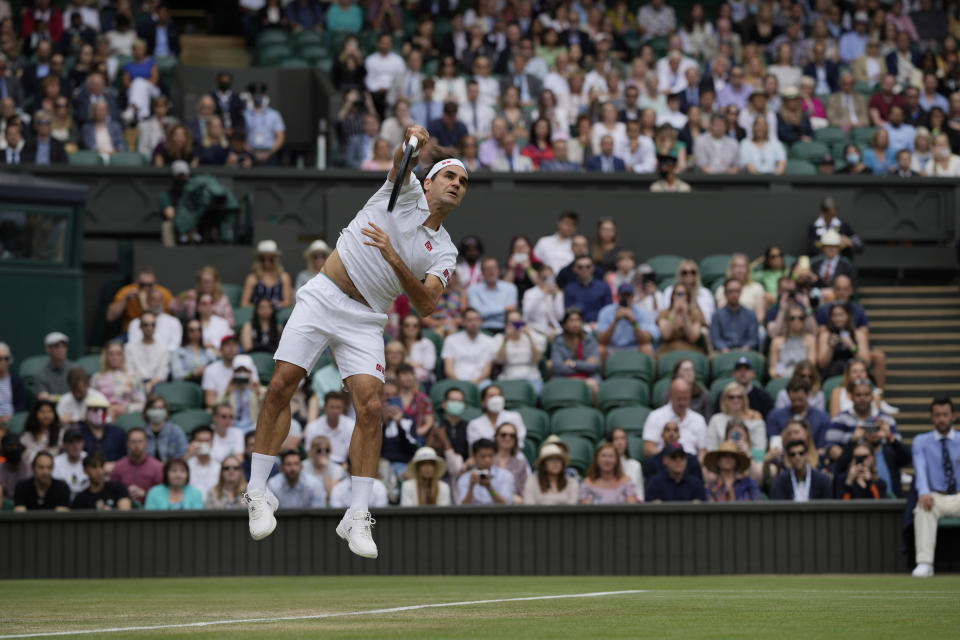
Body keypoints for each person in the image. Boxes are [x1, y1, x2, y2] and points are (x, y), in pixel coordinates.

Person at [245, 126, 467, 554]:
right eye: (450, 176)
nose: (457, 184)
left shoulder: (445, 250)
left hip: (366, 319)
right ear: (429, 181)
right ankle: (257, 492)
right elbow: (403, 161)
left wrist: (392, 255)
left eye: (463, 182)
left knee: (370, 407)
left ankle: (357, 515)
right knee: (280, 385)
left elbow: (425, 304)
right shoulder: (402, 194)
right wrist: (411, 143)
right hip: (323, 295)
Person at [911, 397, 960, 578]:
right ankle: (924, 563)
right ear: (932, 417)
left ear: (953, 416)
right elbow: (920, 468)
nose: (941, 419)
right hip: (935, 496)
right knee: (923, 508)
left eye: (945, 415)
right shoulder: (921, 441)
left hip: (959, 496)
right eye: (937, 415)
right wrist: (923, 493)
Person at [643, 378, 708, 461]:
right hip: (664, 463)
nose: (683, 403)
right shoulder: (656, 416)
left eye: (685, 399)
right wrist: (670, 458)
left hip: (690, 464)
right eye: (679, 399)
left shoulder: (699, 419)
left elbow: (702, 450)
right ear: (670, 396)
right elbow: (648, 448)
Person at [596, 282, 659, 359]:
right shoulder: (606, 312)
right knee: (601, 349)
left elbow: (645, 340)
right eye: (623, 296)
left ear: (632, 297)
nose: (626, 299)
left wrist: (633, 322)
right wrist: (615, 321)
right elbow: (602, 341)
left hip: (634, 347)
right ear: (618, 297)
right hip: (613, 347)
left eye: (628, 296)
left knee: (647, 349)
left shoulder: (641, 312)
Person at [766, 378, 831, 451]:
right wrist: (788, 432)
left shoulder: (822, 418)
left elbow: (821, 448)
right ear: (788, 395)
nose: (797, 403)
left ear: (807, 394)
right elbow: (773, 447)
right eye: (793, 400)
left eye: (800, 400)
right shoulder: (775, 416)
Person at [551, 309, 601, 397]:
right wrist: (584, 365)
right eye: (571, 320)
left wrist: (572, 363)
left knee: (595, 388)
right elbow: (558, 367)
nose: (575, 324)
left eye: (578, 320)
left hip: (588, 377)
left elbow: (594, 366)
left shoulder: (589, 340)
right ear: (565, 324)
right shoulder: (558, 341)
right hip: (564, 378)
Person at [200, 336, 258, 408]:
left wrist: (251, 384)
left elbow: (257, 392)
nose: (231, 348)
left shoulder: (249, 366)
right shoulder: (210, 369)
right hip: (224, 411)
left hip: (248, 409)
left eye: (234, 344)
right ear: (221, 349)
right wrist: (227, 393)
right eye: (227, 345)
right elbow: (209, 402)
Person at [441, 308, 496, 385]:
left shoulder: (489, 341)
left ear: (480, 321)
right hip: (456, 381)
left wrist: (474, 383)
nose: (473, 323)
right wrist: (461, 384)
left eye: (476, 319)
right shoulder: (451, 340)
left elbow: (487, 370)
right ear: (463, 322)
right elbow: (448, 369)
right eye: (470, 320)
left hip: (480, 381)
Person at [109, 427, 163, 505]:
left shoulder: (158, 467)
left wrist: (146, 494)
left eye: (140, 441)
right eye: (133, 442)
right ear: (127, 444)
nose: (137, 445)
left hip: (150, 510)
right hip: (124, 511)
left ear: (146, 443)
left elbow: (163, 494)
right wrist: (125, 493)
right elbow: (112, 492)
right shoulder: (118, 467)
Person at [707, 383, 766, 452]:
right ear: (725, 400)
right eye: (731, 397)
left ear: (744, 399)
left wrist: (748, 451)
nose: (735, 400)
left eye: (739, 397)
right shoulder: (716, 420)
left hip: (750, 461)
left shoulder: (756, 420)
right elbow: (711, 449)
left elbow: (760, 451)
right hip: (722, 460)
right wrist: (725, 448)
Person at [123, 311, 170, 394]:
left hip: (157, 384)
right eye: (146, 324)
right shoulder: (129, 347)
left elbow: (162, 373)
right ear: (140, 326)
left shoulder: (164, 348)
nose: (149, 327)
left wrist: (150, 384)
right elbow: (129, 371)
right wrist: (140, 385)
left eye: (153, 324)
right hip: (135, 383)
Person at [467, 256, 518, 332]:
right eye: (488, 269)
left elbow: (511, 313)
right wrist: (503, 309)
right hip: (481, 329)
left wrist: (486, 311)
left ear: (498, 270)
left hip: (505, 329)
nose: (491, 272)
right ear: (482, 273)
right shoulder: (473, 290)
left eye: (494, 268)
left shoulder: (510, 288)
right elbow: (476, 314)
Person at [456, 438, 514, 505]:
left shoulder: (505, 476)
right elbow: (463, 508)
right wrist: (471, 487)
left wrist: (489, 487)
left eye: (490, 456)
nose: (487, 460)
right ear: (474, 457)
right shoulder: (464, 479)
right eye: (483, 456)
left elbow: (506, 505)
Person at [709, 279, 759, 353]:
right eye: (731, 291)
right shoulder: (717, 315)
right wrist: (725, 350)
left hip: (746, 351)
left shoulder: (750, 314)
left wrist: (745, 349)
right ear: (725, 293)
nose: (734, 294)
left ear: (741, 292)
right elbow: (716, 339)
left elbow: (753, 339)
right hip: (723, 352)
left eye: (737, 291)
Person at [241, 240, 293, 309]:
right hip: (256, 315)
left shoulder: (284, 277)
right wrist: (261, 308)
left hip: (277, 314)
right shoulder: (252, 278)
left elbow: (288, 302)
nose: (267, 263)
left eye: (271, 259)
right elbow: (244, 303)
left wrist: (272, 307)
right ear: (258, 260)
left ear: (276, 259)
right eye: (263, 259)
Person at [656, 283, 706, 355]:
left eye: (683, 294)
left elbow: (693, 338)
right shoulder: (664, 313)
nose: (680, 297)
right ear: (673, 296)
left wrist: (685, 315)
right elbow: (666, 335)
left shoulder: (694, 313)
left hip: (690, 350)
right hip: (668, 351)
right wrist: (674, 312)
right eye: (678, 294)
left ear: (688, 297)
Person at [769, 305, 816, 379]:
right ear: (786, 321)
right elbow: (772, 368)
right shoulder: (776, 342)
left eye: (801, 318)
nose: (797, 321)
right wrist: (775, 375)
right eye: (792, 318)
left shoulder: (810, 339)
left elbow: (811, 365)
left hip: (802, 378)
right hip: (782, 378)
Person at [142, 395, 189, 464]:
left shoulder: (176, 431)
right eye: (153, 408)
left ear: (166, 411)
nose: (157, 411)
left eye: (160, 408)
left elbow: (181, 455)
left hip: (170, 471)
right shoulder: (141, 433)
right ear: (147, 411)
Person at [33, 332, 77, 403]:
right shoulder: (40, 374)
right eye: (57, 346)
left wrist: (53, 398)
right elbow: (43, 398)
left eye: (64, 346)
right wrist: (67, 398)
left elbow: (79, 395)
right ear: (48, 349)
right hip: (51, 412)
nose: (62, 349)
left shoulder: (76, 369)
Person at [172, 319, 217, 383]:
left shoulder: (208, 351)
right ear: (186, 332)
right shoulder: (178, 351)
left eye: (198, 329)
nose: (196, 332)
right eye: (192, 330)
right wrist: (192, 374)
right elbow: (177, 375)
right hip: (186, 386)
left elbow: (216, 369)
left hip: (206, 383)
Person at [607, 427, 644, 501]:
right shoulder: (604, 465)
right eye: (616, 439)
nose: (620, 442)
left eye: (623, 438)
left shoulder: (635, 465)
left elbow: (640, 495)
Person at [186, 426, 219, 498]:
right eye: (200, 441)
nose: (204, 444)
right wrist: (188, 455)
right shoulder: (187, 465)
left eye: (207, 441)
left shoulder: (219, 467)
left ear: (212, 443)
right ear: (193, 443)